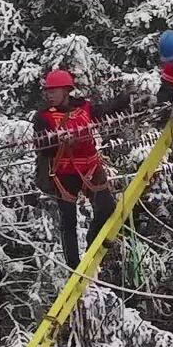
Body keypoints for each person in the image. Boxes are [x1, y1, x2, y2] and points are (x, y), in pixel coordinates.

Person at [31, 69, 137, 270]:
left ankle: (94, 241)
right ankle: (74, 265)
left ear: (66, 90)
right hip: (64, 173)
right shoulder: (43, 117)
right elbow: (41, 146)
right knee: (68, 220)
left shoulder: (84, 107)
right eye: (48, 91)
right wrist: (58, 141)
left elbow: (106, 110)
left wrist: (125, 98)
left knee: (107, 207)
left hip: (90, 167)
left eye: (54, 91)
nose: (50, 95)